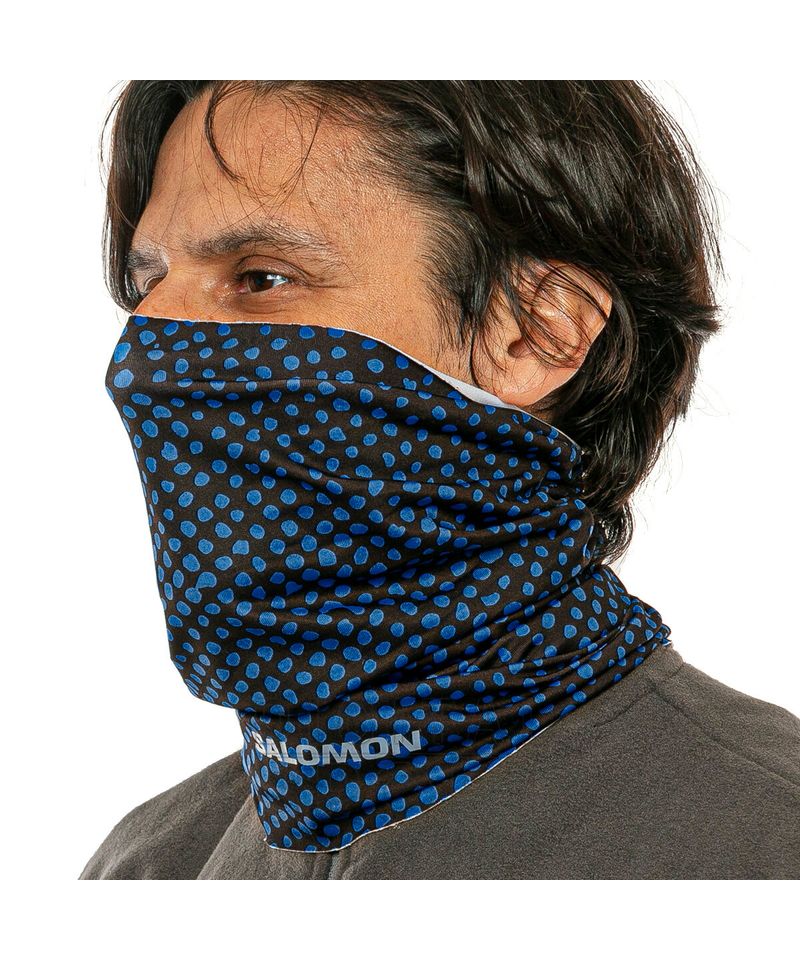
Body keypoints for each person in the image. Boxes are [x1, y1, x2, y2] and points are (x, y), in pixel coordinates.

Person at [79, 81, 800, 880]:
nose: (144, 358)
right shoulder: (148, 867)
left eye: (262, 278)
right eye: (149, 286)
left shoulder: (766, 843)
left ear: (535, 333)